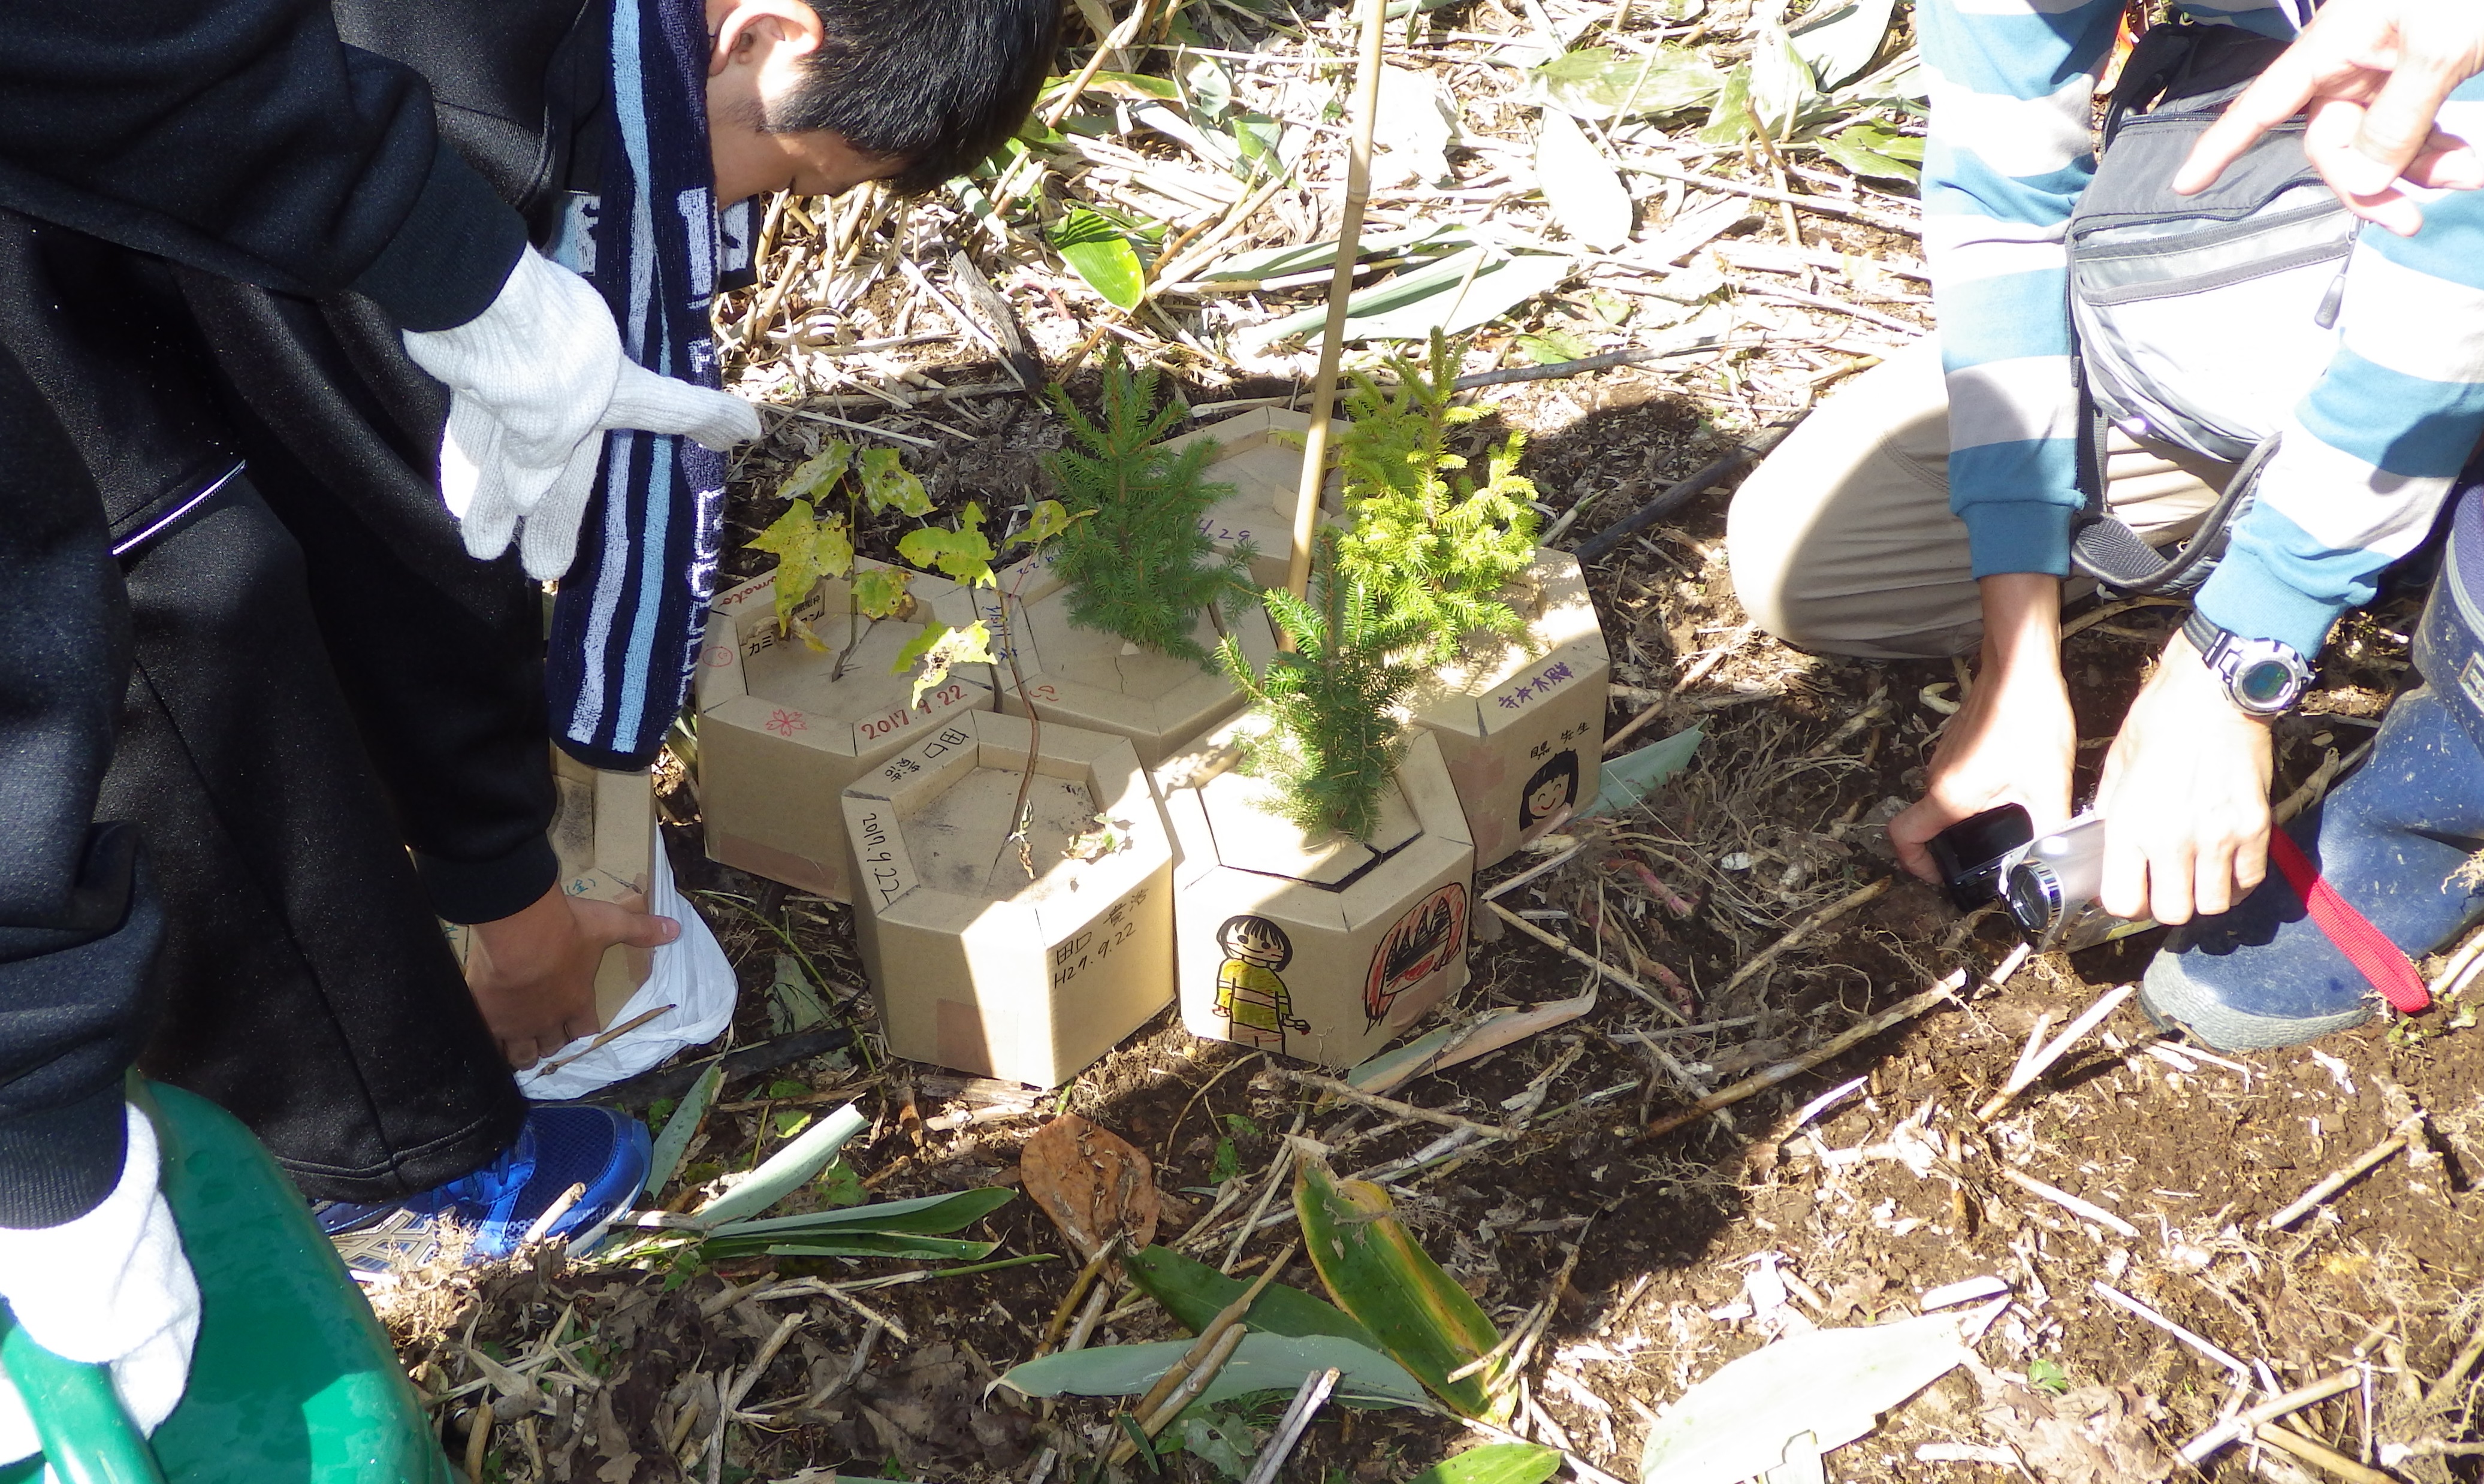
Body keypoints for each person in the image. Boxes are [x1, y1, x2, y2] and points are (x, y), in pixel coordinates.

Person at [0, 0, 1053, 1457]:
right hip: (97, 200)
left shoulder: (566, 75)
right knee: (180, 593)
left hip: (102, 130)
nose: (750, 213)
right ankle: (377, 1152)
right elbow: (414, 547)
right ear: (766, 34)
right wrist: (507, 894)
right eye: (788, 171)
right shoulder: (480, 139)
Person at [1724, 0, 2484, 1052]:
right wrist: (2015, 649)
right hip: (2283, 236)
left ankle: (2431, 802)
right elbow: (1997, 196)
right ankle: (2390, 520)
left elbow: (2454, 272)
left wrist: (2234, 661)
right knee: (1810, 557)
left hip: (2456, 223)